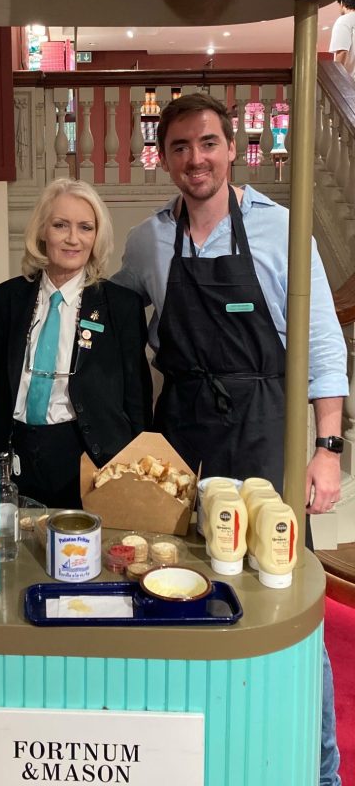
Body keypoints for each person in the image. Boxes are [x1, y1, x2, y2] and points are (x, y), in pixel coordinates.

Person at [113, 91, 347, 786]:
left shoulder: (280, 230)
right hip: (180, 430)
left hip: (263, 425)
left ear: (232, 148)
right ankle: (202, 749)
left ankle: (319, 764)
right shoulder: (146, 240)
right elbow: (121, 331)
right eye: (180, 147)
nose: (195, 159)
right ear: (165, 158)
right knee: (179, 578)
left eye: (207, 143)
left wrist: (327, 452)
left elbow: (324, 349)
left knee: (283, 590)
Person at [0, 178, 152, 509]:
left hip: (90, 458)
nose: (73, 238)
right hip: (15, 457)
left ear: (96, 236)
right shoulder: (4, 301)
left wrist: (136, 475)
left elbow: (137, 401)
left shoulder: (121, 307)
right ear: (43, 231)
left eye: (85, 227)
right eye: (61, 225)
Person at [329, 0, 355, 79]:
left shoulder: (344, 21)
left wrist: (337, 79)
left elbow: (342, 51)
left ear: (342, 3)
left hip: (351, 86)